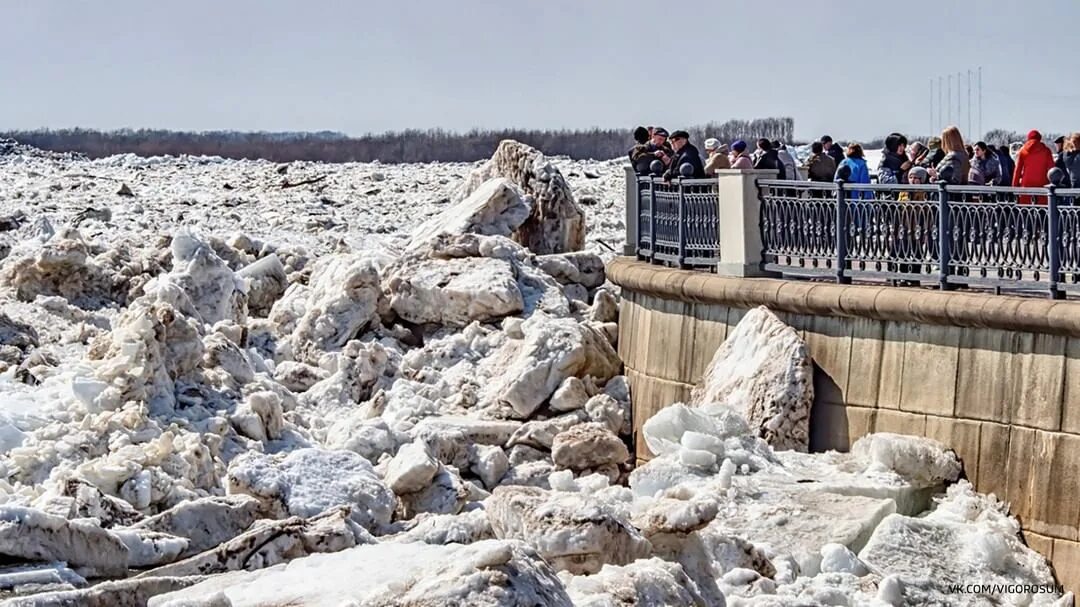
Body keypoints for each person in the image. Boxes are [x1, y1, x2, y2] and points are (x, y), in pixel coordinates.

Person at [1013, 130, 1057, 203]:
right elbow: (1052, 169)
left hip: (1026, 186)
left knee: (1026, 211)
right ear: (1039, 139)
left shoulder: (1023, 151)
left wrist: (1014, 187)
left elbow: (1017, 170)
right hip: (1042, 185)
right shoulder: (1046, 151)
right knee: (1042, 210)